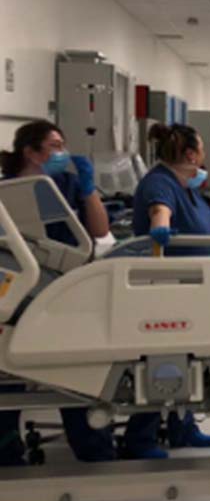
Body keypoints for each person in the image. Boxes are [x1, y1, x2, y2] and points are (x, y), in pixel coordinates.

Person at [0, 120, 118, 465]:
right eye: (55, 146)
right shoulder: (7, 192)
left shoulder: (67, 185)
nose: (62, 152)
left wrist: (89, 190)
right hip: (18, 290)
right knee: (8, 369)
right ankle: (7, 449)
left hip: (67, 288)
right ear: (31, 152)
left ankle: (94, 447)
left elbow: (100, 230)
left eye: (63, 145)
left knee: (77, 371)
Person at [122, 123, 210, 457]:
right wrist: (160, 228)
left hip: (192, 288)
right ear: (191, 155)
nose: (205, 157)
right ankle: (140, 438)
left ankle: (183, 428)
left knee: (190, 359)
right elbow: (159, 210)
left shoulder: (186, 186)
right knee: (163, 362)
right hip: (167, 289)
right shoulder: (161, 183)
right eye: (202, 150)